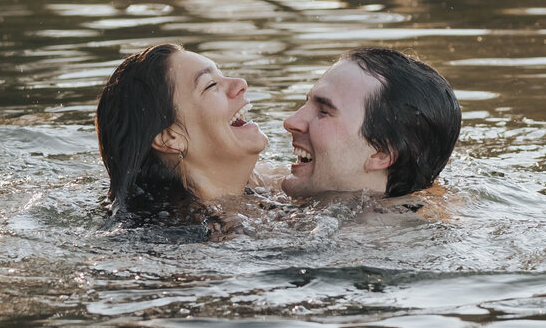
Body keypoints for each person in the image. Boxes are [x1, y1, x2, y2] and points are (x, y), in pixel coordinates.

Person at [96, 43, 268, 217]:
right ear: (169, 138)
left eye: (222, 75)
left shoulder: (264, 186)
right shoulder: (202, 236)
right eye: (210, 85)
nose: (241, 83)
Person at [281, 47, 460, 200]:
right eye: (307, 102)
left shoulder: (381, 238)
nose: (290, 122)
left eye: (324, 111)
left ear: (381, 154)